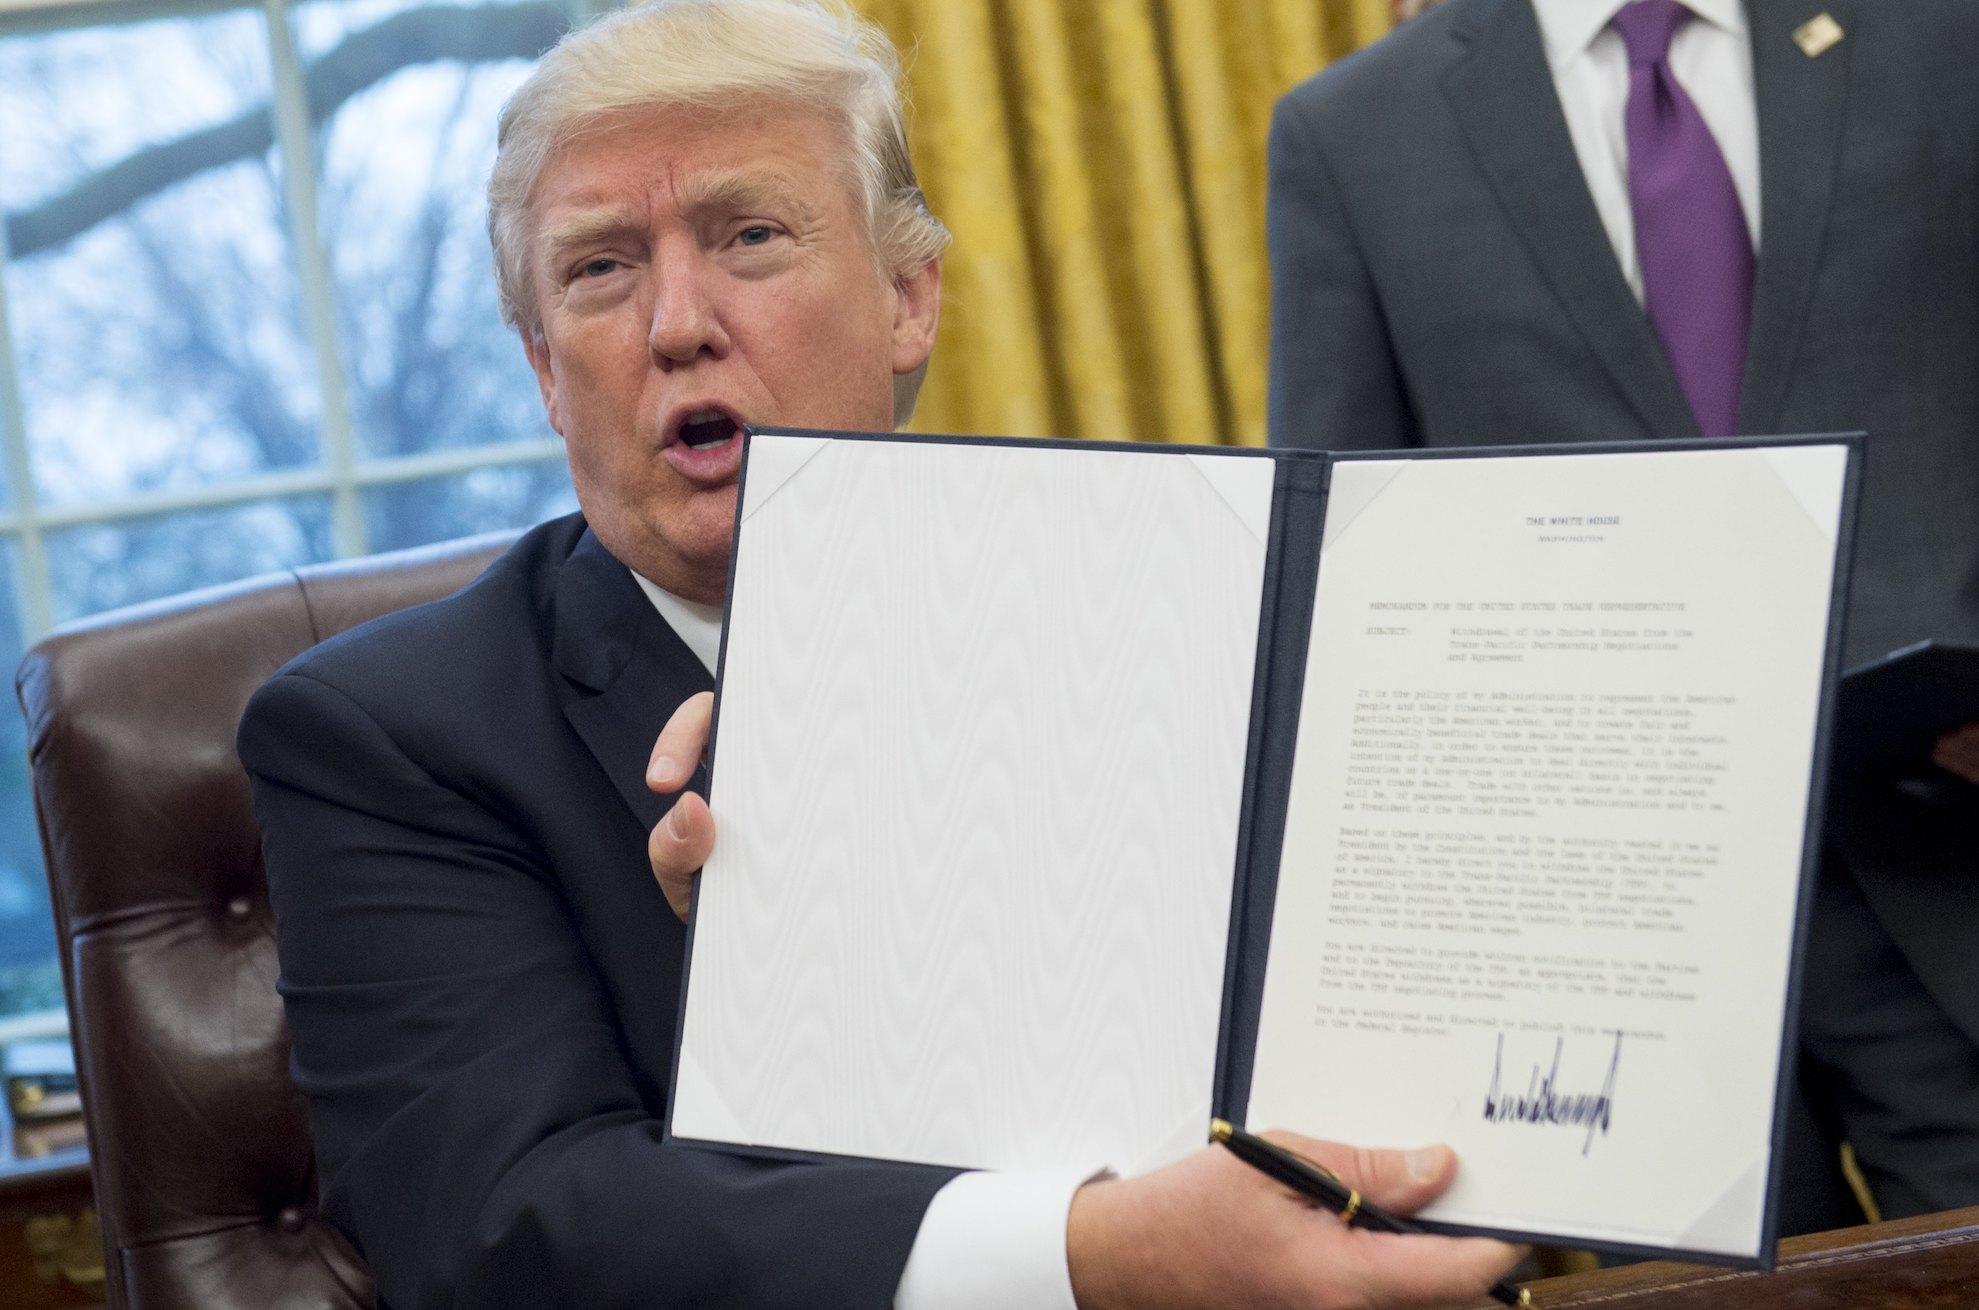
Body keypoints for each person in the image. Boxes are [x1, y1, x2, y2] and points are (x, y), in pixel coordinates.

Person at [239, 1, 1522, 1305]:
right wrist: (1099, 1257)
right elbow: (509, 1229)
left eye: (748, 235)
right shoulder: (379, 735)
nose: (676, 320)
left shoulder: (1184, 613)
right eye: (600, 269)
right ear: (543, 372)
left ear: (908, 298)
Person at [1265, 0, 1979, 1233]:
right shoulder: (1350, 134)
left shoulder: (1941, 35)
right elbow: (1349, 568)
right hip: (1612, 952)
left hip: (1942, 850)